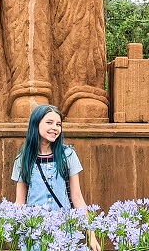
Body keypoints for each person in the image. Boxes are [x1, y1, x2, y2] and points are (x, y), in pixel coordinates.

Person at [12, 104, 101, 251]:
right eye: (49, 122)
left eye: (58, 124)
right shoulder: (23, 158)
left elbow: (77, 197)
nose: (55, 128)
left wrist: (90, 234)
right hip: (34, 232)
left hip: (63, 230)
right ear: (36, 124)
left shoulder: (67, 154)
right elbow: (20, 202)